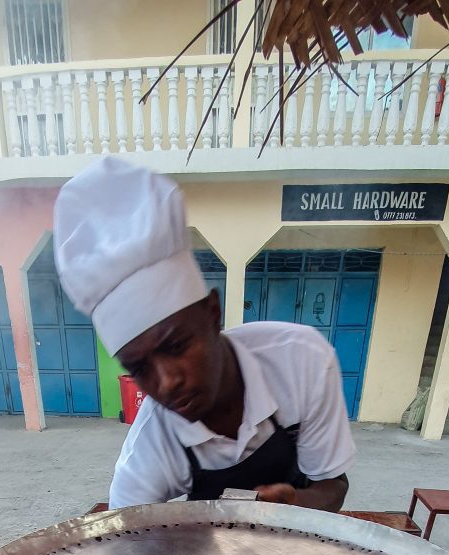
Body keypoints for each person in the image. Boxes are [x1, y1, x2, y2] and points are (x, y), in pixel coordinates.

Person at [53, 158, 354, 510]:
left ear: (213, 312)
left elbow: (333, 485)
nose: (166, 383)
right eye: (139, 368)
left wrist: (294, 504)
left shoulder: (302, 361)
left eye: (176, 345)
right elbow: (129, 546)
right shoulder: (151, 447)